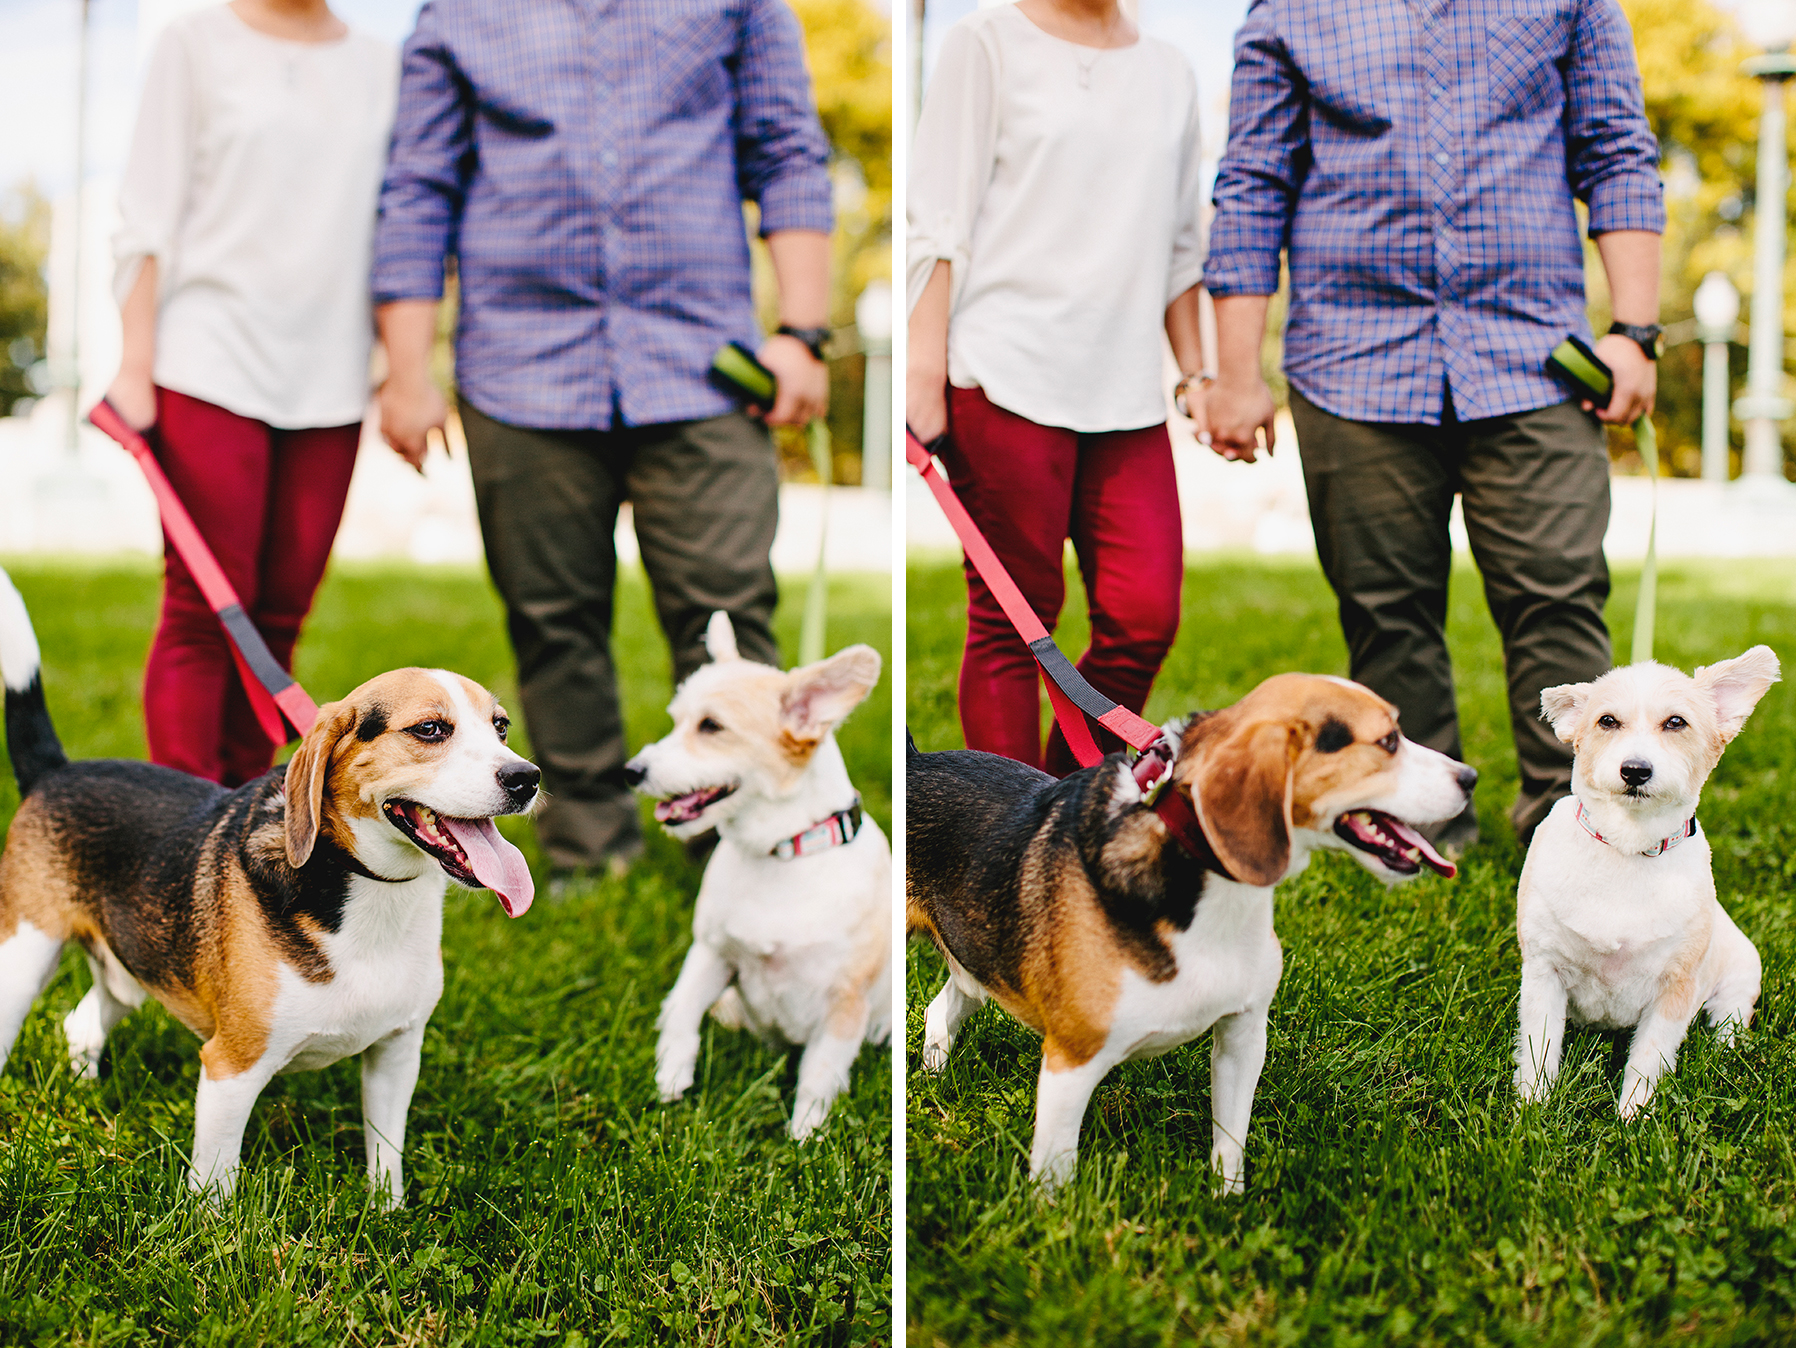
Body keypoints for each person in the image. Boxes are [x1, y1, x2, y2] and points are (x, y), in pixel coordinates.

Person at [373, 0, 833, 885]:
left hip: (703, 365)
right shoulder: (455, 16)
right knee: (553, 623)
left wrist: (802, 332)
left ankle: (749, 846)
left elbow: (785, 148)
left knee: (726, 616)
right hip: (520, 366)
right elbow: (420, 185)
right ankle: (589, 855)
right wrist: (405, 370)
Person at [1204, 0, 1664, 850]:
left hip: (1531, 356)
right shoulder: (1289, 11)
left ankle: (1583, 833)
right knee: (1386, 612)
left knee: (1559, 600)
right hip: (1350, 360)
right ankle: (1420, 831)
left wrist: (1634, 332)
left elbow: (1616, 150)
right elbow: (1254, 183)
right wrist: (1236, 374)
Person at [908, 0, 1205, 776]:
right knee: (1013, 623)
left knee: (1145, 614)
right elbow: (938, 222)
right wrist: (921, 373)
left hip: (1129, 390)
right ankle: (998, 843)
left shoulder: (1170, 70)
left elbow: (1181, 247)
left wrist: (1199, 372)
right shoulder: (986, 41)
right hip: (1004, 374)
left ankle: (1064, 805)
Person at [108, 0, 398, 787]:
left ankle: (240, 814)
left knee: (277, 621)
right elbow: (145, 217)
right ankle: (181, 826)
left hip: (332, 376)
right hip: (208, 361)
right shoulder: (192, 43)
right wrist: (135, 364)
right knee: (204, 612)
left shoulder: (382, 65)